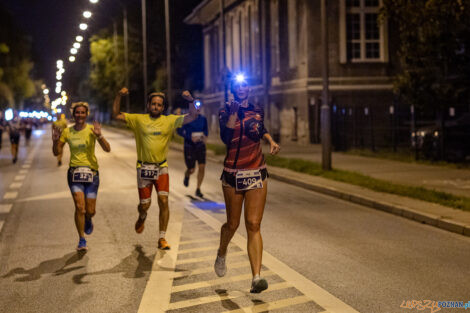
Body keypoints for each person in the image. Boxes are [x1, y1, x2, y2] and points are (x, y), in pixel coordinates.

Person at [214, 74, 280, 293]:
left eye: (245, 84)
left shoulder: (257, 109)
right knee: (233, 224)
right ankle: (222, 251)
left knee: (253, 224)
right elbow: (226, 137)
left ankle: (256, 277)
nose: (242, 88)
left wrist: (271, 141)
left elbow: (260, 129)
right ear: (232, 89)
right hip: (233, 173)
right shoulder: (224, 111)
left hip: (256, 171)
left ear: (249, 88)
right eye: (237, 85)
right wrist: (233, 113)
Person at [112, 87, 199, 250]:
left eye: (159, 105)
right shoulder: (138, 119)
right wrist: (118, 96)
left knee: (163, 200)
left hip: (161, 168)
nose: (156, 107)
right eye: (153, 104)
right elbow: (116, 115)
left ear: (163, 108)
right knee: (145, 204)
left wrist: (191, 101)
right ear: (148, 105)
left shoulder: (169, 121)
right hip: (143, 168)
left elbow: (193, 115)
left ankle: (162, 238)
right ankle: (142, 215)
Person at [52, 102, 111, 251]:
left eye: (82, 113)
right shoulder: (67, 132)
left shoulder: (92, 130)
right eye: (77, 113)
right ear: (73, 114)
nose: (79, 115)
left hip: (92, 174)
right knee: (80, 207)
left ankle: (89, 219)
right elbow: (56, 152)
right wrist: (54, 141)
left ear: (87, 114)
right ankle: (81, 239)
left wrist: (100, 135)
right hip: (74, 174)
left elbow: (107, 149)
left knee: (90, 211)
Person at [177, 102, 208, 198]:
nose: (198, 109)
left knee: (202, 167)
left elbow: (206, 131)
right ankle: (187, 175)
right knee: (192, 169)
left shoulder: (203, 119)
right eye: (196, 107)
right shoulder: (187, 119)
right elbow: (179, 131)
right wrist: (190, 137)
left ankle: (198, 189)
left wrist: (204, 137)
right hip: (189, 146)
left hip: (200, 146)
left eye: (199, 107)